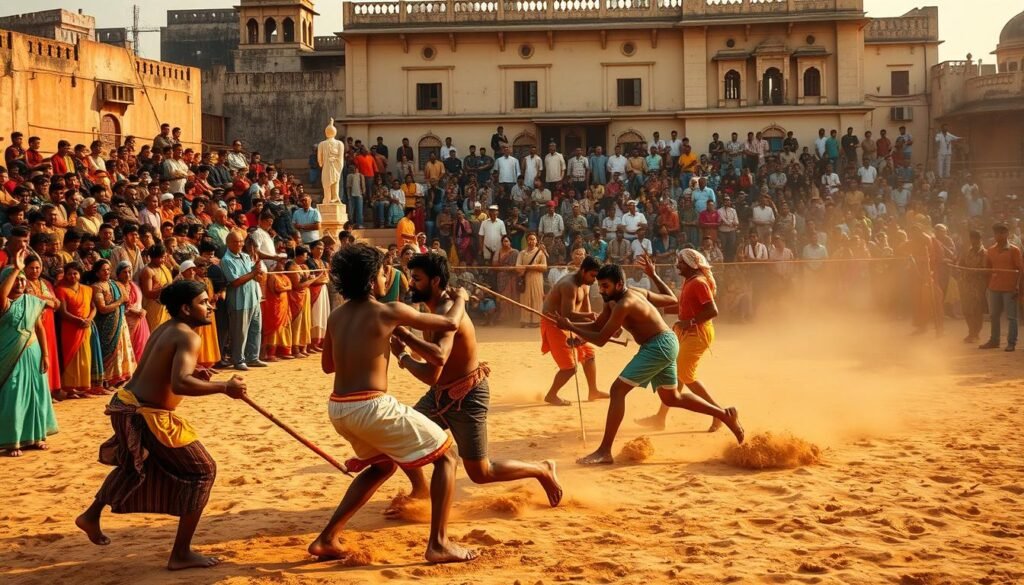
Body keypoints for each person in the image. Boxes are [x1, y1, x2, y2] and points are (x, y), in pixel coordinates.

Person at [310, 243, 477, 564]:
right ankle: (439, 544)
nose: (391, 276)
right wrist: (461, 300)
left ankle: (327, 538)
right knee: (447, 457)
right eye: (386, 271)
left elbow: (328, 366)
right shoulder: (388, 311)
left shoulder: (336, 315)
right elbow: (450, 325)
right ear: (373, 280)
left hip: (339, 408)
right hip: (369, 406)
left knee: (382, 466)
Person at [76, 279, 247, 570]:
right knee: (203, 470)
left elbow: (163, 371)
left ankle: (91, 515)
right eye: (203, 302)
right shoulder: (188, 336)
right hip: (145, 413)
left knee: (142, 463)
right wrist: (223, 387)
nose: (210, 306)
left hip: (130, 405)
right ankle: (181, 553)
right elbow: (180, 383)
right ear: (185, 308)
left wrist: (199, 372)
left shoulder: (168, 328)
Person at [389, 253, 563, 505]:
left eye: (416, 278)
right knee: (401, 435)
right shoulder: (437, 308)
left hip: (467, 395)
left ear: (435, 281)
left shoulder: (447, 310)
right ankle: (421, 489)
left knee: (481, 473)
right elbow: (435, 360)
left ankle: (542, 468)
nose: (411, 283)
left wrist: (403, 353)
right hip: (441, 394)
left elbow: (434, 365)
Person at [552, 260, 743, 465]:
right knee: (672, 398)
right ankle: (724, 414)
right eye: (599, 286)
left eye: (605, 286)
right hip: (665, 343)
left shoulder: (625, 303)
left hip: (659, 345)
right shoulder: (618, 299)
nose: (601, 291)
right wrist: (578, 333)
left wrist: (572, 326)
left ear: (618, 285)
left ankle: (604, 451)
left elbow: (600, 338)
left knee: (617, 390)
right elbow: (598, 325)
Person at [634, 250, 743, 435]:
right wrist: (653, 305)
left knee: (684, 374)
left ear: (691, 265)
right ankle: (660, 418)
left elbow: (712, 310)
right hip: (687, 332)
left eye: (681, 263)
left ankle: (720, 413)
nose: (677, 266)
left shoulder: (699, 283)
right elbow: (684, 306)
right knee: (676, 375)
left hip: (697, 334)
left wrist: (689, 322)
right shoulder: (691, 281)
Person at [0, 253, 58, 457]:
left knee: (36, 394)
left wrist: (46, 355)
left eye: (23, 280)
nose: (20, 283)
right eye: (16, 279)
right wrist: (16, 268)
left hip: (33, 352)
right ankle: (11, 441)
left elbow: (39, 327)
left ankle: (36, 437)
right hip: (10, 356)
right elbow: (2, 296)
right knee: (13, 395)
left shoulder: (32, 301)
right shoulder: (4, 304)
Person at [540, 256, 608, 406]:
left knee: (589, 354)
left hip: (570, 323)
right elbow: (566, 315)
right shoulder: (568, 285)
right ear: (583, 271)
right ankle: (551, 395)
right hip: (554, 323)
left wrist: (599, 325)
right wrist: (591, 318)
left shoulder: (586, 285)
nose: (594, 280)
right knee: (570, 367)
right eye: (593, 276)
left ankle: (593, 391)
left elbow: (586, 313)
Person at [220, 231, 267, 370]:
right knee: (239, 332)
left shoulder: (246, 256)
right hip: (239, 301)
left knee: (255, 330)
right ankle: (238, 360)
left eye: (241, 241)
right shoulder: (226, 260)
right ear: (228, 243)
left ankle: (252, 357)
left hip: (254, 298)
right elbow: (235, 281)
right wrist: (253, 273)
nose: (239, 244)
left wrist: (257, 273)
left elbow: (254, 276)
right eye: (236, 242)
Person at [87, 259, 136, 388]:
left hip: (120, 322)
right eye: (103, 270)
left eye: (108, 269)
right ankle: (107, 380)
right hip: (106, 325)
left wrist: (122, 303)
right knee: (107, 351)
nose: (107, 272)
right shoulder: (96, 287)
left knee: (122, 349)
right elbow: (102, 308)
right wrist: (119, 301)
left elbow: (127, 300)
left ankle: (120, 378)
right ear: (97, 273)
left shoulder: (115, 284)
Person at [56, 262, 102, 397]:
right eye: (69, 273)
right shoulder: (61, 290)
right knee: (71, 357)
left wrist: (89, 319)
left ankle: (83, 388)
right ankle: (70, 389)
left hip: (85, 327)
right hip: (70, 327)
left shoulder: (88, 289)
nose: (72, 276)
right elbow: (63, 312)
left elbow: (94, 307)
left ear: (80, 274)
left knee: (85, 358)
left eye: (75, 273)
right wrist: (78, 320)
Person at [980, 223, 1024, 352]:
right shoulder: (990, 250)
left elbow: (1020, 270)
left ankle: (1011, 343)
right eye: (997, 233)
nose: (999, 235)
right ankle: (994, 340)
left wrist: (1018, 288)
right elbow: (987, 269)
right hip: (994, 287)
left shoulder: (1014, 250)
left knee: (1011, 317)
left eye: (1002, 233)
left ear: (1007, 234)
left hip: (1010, 288)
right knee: (994, 315)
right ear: (994, 235)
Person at [24, 254, 62, 400]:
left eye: (38, 268)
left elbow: (57, 303)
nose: (35, 271)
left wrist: (48, 300)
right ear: (25, 268)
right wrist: (47, 300)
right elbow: (28, 299)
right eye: (32, 268)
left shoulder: (45, 283)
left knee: (49, 355)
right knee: (36, 357)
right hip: (32, 325)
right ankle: (38, 392)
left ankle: (49, 390)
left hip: (48, 324)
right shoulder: (23, 283)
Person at [956, 229, 988, 344]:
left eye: (976, 239)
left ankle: (975, 333)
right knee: (966, 309)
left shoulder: (984, 253)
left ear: (980, 239)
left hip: (978, 286)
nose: (974, 241)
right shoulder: (967, 252)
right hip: (966, 284)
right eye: (972, 238)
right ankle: (971, 331)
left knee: (977, 310)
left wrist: (974, 271)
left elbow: (985, 270)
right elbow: (960, 264)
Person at [260, 259, 293, 361]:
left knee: (284, 327)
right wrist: (286, 287)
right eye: (280, 263)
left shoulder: (285, 276)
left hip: (284, 305)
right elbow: (277, 289)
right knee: (273, 328)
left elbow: (290, 286)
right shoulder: (272, 276)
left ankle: (283, 351)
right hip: (274, 306)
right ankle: (270, 354)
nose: (283, 265)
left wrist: (285, 287)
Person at [117, 261, 149, 363]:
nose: (128, 275)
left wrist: (142, 310)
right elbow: (118, 305)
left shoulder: (135, 286)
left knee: (141, 344)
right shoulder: (116, 287)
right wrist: (132, 311)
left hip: (139, 319)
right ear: (118, 274)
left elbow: (139, 302)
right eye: (124, 272)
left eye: (129, 272)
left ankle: (141, 367)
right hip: (124, 321)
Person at [286, 249, 314, 357]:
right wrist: (314, 279)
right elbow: (298, 285)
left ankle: (303, 346)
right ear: (299, 256)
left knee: (304, 321)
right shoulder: (292, 267)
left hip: (304, 296)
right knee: (297, 322)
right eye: (305, 256)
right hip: (296, 298)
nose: (306, 258)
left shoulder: (300, 266)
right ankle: (295, 348)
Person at [516, 233, 547, 328]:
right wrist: (523, 269)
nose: (531, 241)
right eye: (529, 239)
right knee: (525, 299)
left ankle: (536, 321)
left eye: (533, 239)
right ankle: (525, 321)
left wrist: (531, 266)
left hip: (537, 278)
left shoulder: (541, 253)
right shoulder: (522, 253)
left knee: (537, 298)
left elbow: (544, 267)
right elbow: (517, 267)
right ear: (526, 241)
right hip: (525, 278)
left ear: (536, 241)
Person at [140, 244, 173, 333]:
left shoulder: (163, 267)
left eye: (165, 257)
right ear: (153, 258)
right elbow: (147, 293)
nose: (164, 260)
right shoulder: (148, 271)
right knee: (156, 334)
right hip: (154, 308)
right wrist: (164, 289)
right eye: (162, 257)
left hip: (166, 307)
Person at [307, 240, 331, 352]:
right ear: (311, 249)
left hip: (323, 290)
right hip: (314, 291)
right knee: (315, 315)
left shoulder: (325, 262)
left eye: (322, 248)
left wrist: (323, 279)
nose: (320, 251)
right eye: (318, 248)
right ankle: (312, 343)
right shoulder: (309, 262)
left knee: (323, 315)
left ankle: (321, 341)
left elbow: (327, 278)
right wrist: (321, 279)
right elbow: (311, 279)